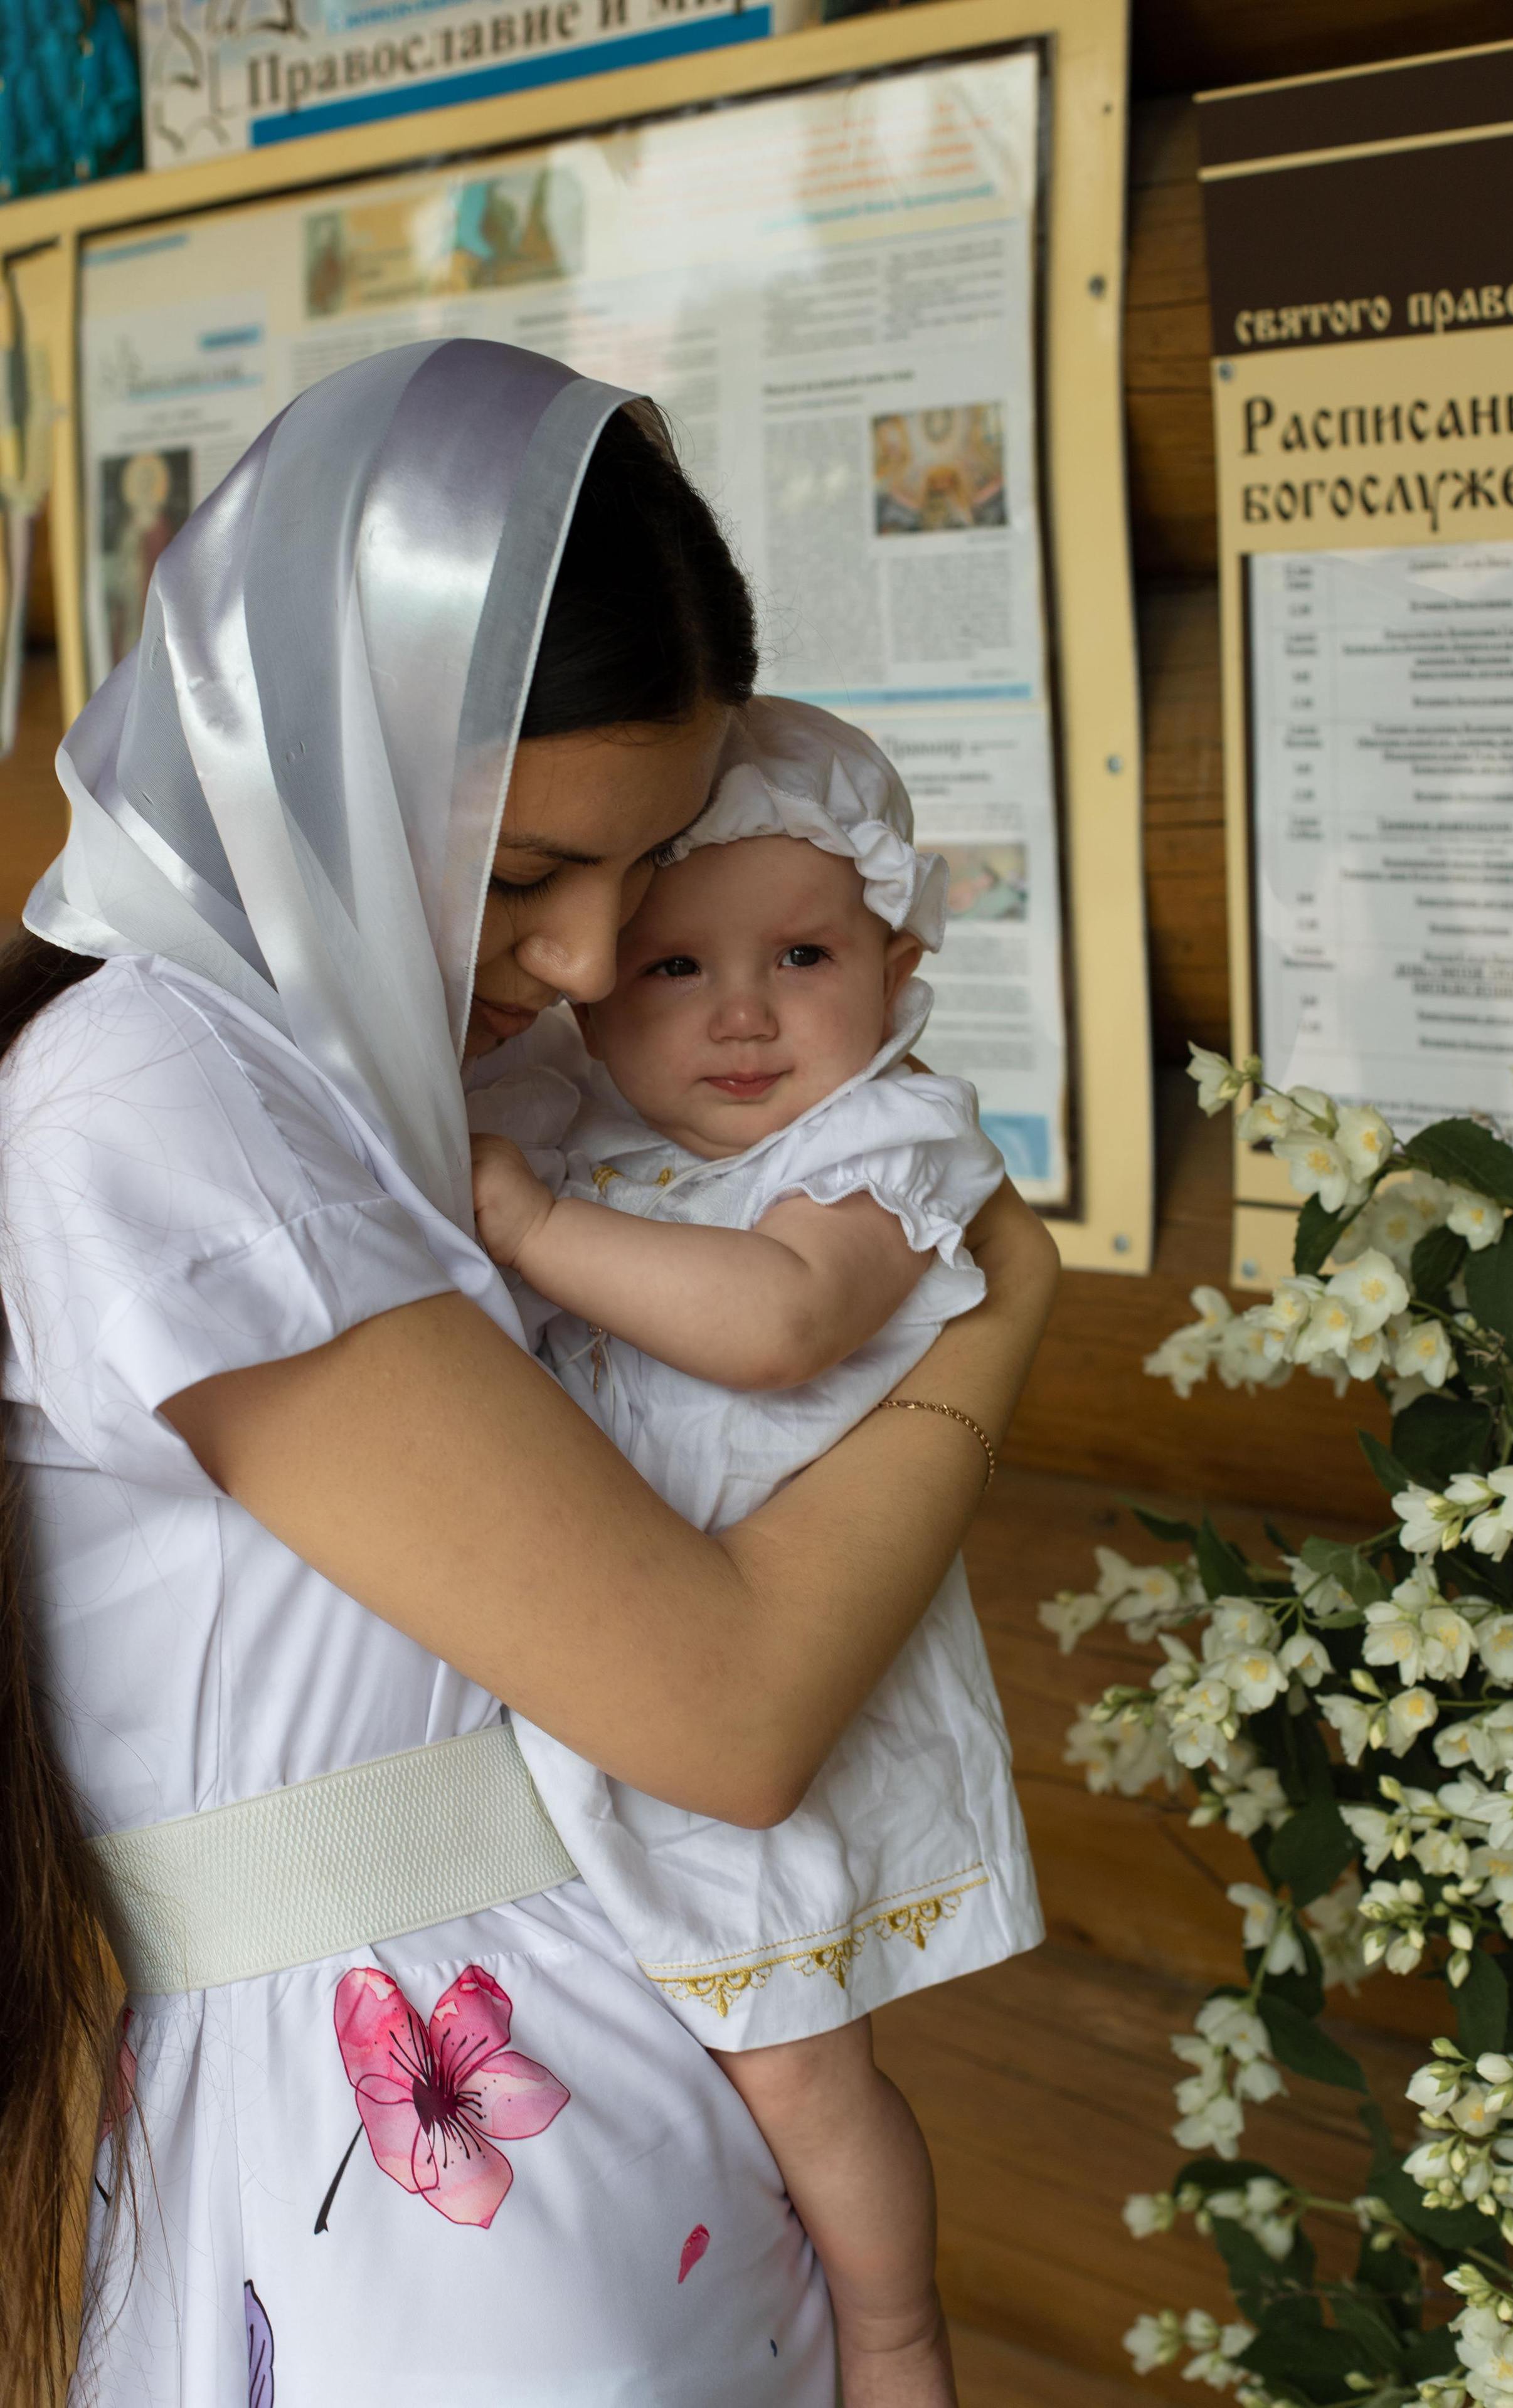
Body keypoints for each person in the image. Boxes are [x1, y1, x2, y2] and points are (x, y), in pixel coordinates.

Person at [0, 336, 1060, 2408]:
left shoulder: (390, 1080)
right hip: (410, 2213)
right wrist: (998, 1320)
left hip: (576, 2122)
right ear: (290, 749)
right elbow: (723, 1708)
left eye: (636, 869)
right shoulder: (167, 1112)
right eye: (523, 878)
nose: (582, 964)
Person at [470, 696, 1044, 2407]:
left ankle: (892, 2331)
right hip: (617, 1678)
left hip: (791, 1691)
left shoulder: (878, 1149)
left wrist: (532, 1225)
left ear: (896, 954)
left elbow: (781, 1325)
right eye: (672, 970)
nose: (740, 1012)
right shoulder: (581, 1122)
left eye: (802, 954)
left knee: (795, 2063)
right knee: (655, 2053)